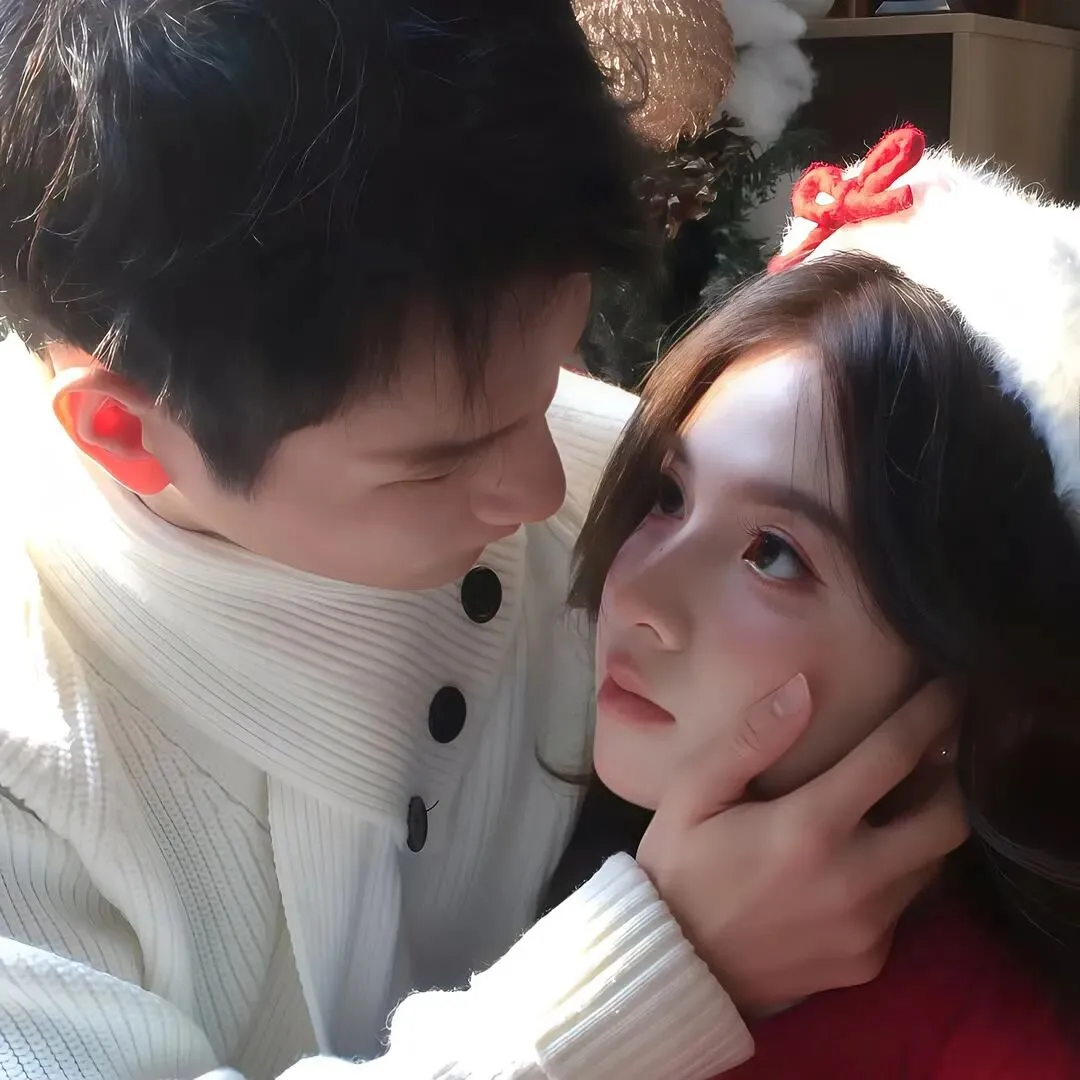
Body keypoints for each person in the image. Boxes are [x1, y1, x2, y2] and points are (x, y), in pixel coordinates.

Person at [0, 2, 964, 1075]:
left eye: (552, 379)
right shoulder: (30, 755)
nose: (553, 488)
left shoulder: (619, 480)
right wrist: (670, 965)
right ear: (124, 433)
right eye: (439, 462)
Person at [550, 128, 1080, 1076]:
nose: (639, 593)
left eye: (773, 554)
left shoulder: (1000, 1051)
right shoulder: (553, 814)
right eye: (666, 494)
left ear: (969, 677)